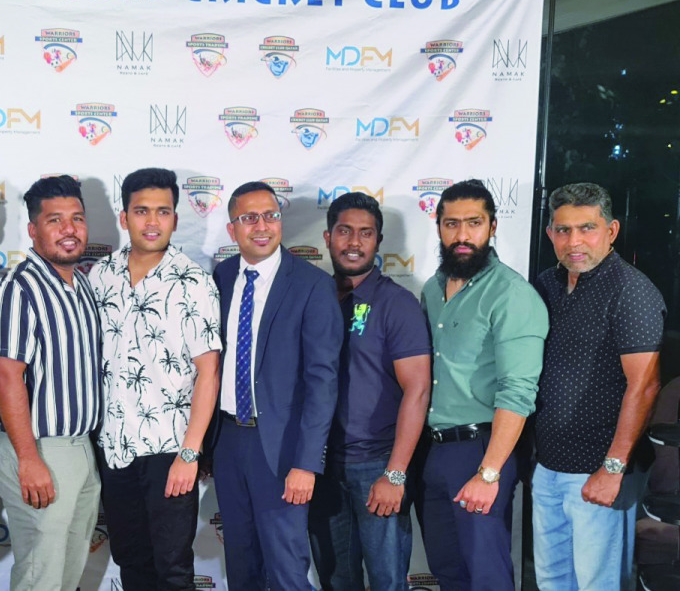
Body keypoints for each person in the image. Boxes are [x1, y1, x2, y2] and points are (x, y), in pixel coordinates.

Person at [88, 168, 222, 591]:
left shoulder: (194, 282)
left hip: (170, 450)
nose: (152, 221)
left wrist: (190, 452)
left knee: (173, 570)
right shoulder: (100, 276)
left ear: (175, 219)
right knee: (131, 563)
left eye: (162, 212)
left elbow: (209, 371)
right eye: (141, 211)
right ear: (124, 217)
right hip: (114, 448)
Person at [208, 181, 341, 591]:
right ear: (232, 229)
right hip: (228, 441)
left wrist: (306, 463)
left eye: (271, 215)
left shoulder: (311, 285)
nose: (262, 226)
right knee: (241, 564)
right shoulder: (222, 277)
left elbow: (322, 382)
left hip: (282, 449)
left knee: (286, 569)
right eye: (249, 218)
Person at [532, 182, 665, 591]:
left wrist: (612, 468)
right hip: (547, 467)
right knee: (552, 581)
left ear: (611, 230)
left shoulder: (630, 290)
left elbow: (645, 386)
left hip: (600, 470)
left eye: (587, 228)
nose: (574, 241)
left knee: (598, 584)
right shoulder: (546, 284)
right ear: (551, 233)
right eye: (563, 229)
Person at [419, 178, 548, 591]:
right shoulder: (432, 288)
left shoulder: (511, 294)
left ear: (492, 227)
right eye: (451, 224)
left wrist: (488, 474)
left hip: (481, 450)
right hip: (433, 450)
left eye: (473, 223)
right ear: (439, 227)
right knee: (447, 570)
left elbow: (518, 392)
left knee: (486, 575)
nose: (462, 235)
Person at [308, 193, 431, 591]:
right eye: (345, 231)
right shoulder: (313, 297)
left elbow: (418, 390)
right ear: (328, 237)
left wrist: (394, 473)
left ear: (378, 241)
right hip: (321, 465)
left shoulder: (397, 303)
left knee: (386, 581)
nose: (354, 242)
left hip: (377, 464)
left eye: (365, 233)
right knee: (335, 579)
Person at [0, 175, 102, 591]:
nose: (69, 229)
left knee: (65, 576)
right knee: (41, 577)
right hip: (38, 448)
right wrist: (29, 459)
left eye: (77, 218)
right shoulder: (20, 289)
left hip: (80, 447)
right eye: (55, 220)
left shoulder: (80, 284)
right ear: (33, 229)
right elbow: (6, 376)